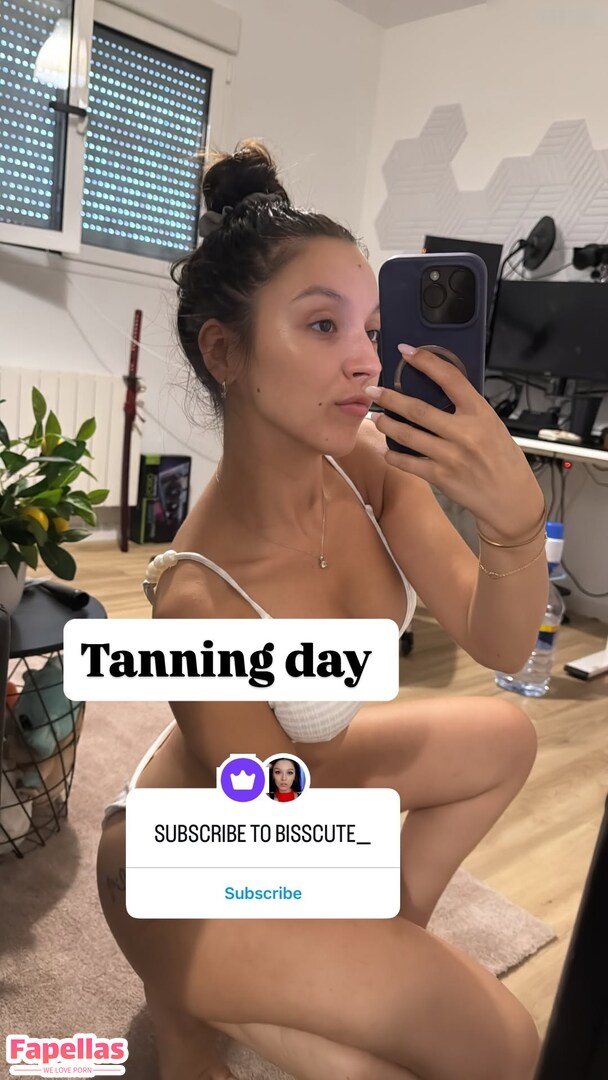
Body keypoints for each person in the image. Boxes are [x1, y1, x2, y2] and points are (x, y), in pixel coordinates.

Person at [97, 139, 549, 1080]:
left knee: (505, 738)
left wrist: (513, 528)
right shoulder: (198, 598)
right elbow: (279, 827)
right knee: (502, 1051)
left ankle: (310, 983)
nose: (364, 360)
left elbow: (502, 642)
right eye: (320, 325)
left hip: (290, 797)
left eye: (370, 328)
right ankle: (192, 998)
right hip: (193, 861)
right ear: (225, 351)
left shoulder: (367, 467)